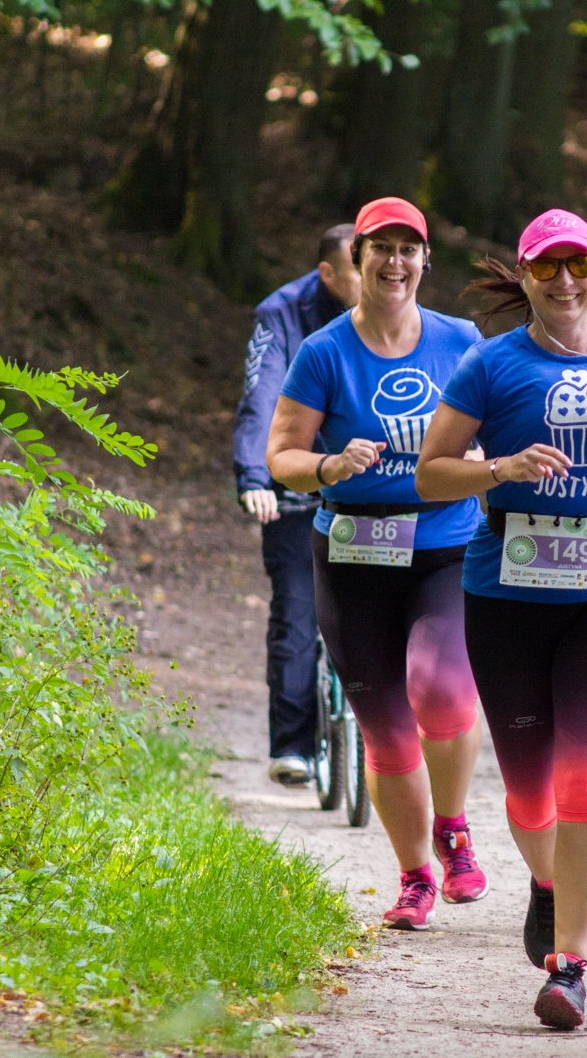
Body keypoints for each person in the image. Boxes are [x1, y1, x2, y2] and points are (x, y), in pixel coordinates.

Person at [415, 209, 587, 1030]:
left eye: (579, 265)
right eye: (546, 269)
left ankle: (570, 967)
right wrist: (499, 465)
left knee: (584, 783)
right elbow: (430, 475)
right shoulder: (488, 365)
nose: (565, 282)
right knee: (530, 793)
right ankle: (545, 882)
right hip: (506, 594)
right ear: (526, 277)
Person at [267, 197, 490, 930]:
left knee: (442, 686)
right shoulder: (325, 351)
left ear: (426, 260)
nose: (395, 263)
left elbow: (504, 421)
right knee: (387, 729)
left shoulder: (460, 340)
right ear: (355, 261)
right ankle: (415, 875)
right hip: (354, 550)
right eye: (380, 249)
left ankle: (453, 828)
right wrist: (330, 465)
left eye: (409, 249)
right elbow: (283, 457)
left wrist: (488, 455)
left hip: (445, 543)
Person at [233, 224, 360, 787]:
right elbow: (262, 394)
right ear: (328, 275)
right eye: (360, 265)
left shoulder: (400, 312)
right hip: (295, 488)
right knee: (296, 614)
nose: (378, 273)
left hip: (370, 493)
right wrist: (255, 474)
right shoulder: (280, 314)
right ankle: (293, 747)